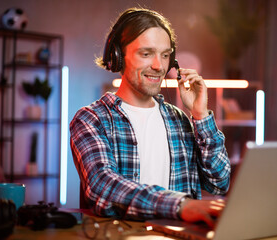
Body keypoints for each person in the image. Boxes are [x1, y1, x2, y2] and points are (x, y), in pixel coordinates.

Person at [70, 7, 230, 227]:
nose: (159, 66)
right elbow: (103, 187)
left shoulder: (180, 120)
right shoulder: (92, 119)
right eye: (146, 54)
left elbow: (219, 183)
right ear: (118, 57)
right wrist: (181, 205)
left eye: (165, 55)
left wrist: (200, 116)